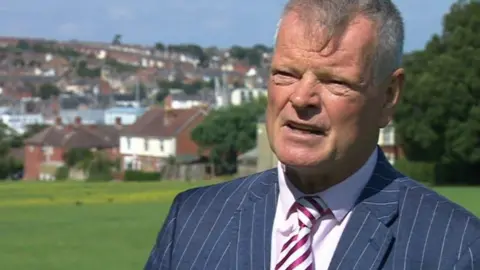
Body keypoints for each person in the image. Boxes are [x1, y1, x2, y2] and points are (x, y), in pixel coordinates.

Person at [144, 0, 480, 269]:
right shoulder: (192, 220)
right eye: (286, 74)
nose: (302, 98)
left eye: (334, 81)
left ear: (389, 95)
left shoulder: (455, 248)